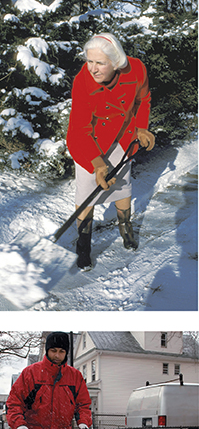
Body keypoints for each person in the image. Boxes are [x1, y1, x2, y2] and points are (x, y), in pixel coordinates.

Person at [66, 32, 155, 270]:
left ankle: (126, 231)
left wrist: (141, 127)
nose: (92, 69)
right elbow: (78, 130)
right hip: (90, 142)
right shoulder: (82, 82)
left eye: (100, 63)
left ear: (116, 63)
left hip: (123, 136)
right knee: (87, 191)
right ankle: (83, 247)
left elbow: (143, 99)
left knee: (122, 184)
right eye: (89, 61)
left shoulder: (136, 69)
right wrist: (98, 164)